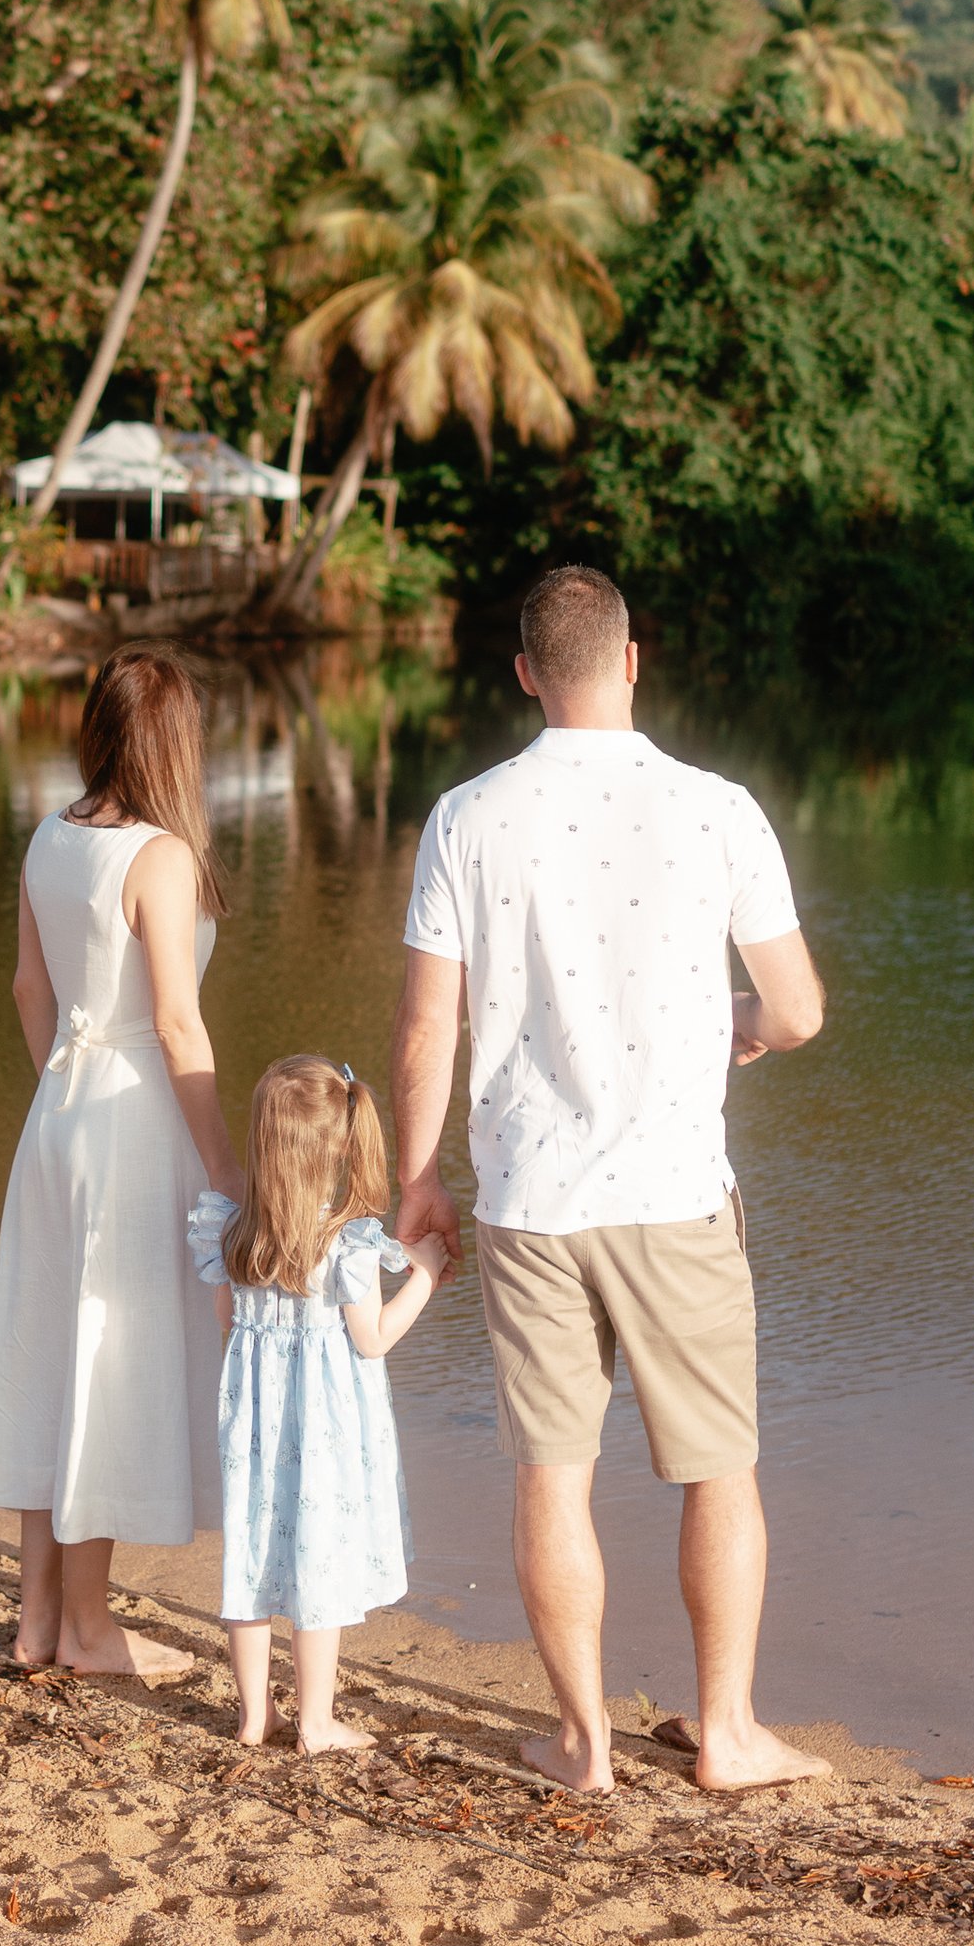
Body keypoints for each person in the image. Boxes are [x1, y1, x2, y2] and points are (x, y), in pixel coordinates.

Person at [390, 563, 830, 1797]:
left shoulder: (466, 816)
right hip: (676, 1191)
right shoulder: (717, 808)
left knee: (551, 1471)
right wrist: (734, 1020)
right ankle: (727, 1732)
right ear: (633, 661)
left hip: (530, 1197)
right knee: (717, 1466)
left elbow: (430, 1030)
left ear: (525, 672)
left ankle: (583, 1743)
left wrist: (415, 1181)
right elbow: (796, 1011)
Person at [0, 647, 238, 1677]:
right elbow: (177, 1023)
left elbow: (26, 990)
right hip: (134, 1121)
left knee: (54, 1353)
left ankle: (38, 1618)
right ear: (177, 743)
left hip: (59, 1115)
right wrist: (225, 1172)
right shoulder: (160, 855)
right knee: (106, 1363)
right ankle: (88, 1627)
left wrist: (63, 1085)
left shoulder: (49, 835)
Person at [186, 1057, 448, 1754]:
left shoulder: (237, 1234)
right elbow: (372, 1339)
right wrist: (423, 1276)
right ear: (339, 1147)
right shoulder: (347, 1245)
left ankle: (251, 1717)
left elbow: (224, 1323)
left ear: (263, 1144)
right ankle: (315, 1721)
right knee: (316, 1559)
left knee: (249, 1554)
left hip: (252, 1421)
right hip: (325, 1432)